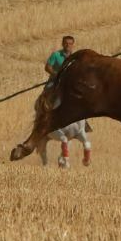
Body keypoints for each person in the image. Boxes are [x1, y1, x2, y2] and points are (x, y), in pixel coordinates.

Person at [42, 35, 92, 166]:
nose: (68, 45)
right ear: (63, 44)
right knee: (48, 94)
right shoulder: (56, 55)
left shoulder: (76, 58)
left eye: (70, 43)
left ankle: (84, 122)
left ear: (73, 44)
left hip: (70, 83)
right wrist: (56, 74)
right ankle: (45, 116)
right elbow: (47, 67)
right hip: (56, 82)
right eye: (66, 43)